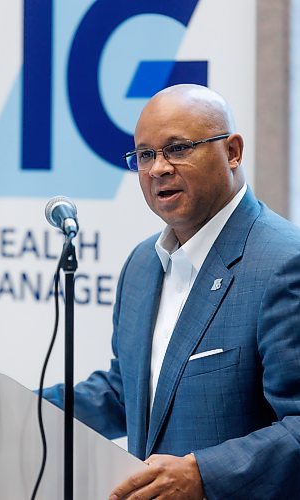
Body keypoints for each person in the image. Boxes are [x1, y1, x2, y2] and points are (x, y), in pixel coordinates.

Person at [43, 84, 300, 499]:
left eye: (178, 149)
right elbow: (126, 392)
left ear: (232, 152)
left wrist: (205, 476)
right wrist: (13, 409)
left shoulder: (284, 264)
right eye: (145, 155)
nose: (158, 168)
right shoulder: (143, 264)